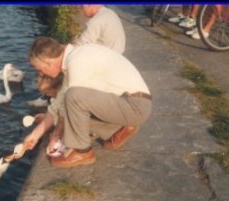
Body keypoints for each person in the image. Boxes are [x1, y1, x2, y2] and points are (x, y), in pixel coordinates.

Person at [22, 36, 152, 168]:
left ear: (48, 62)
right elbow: (58, 104)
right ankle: (120, 128)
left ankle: (82, 152)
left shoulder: (77, 60)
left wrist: (56, 135)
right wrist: (35, 135)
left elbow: (71, 102)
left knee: (74, 97)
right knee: (74, 117)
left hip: (135, 105)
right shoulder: (74, 58)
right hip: (128, 104)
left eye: (39, 69)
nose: (42, 74)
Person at [27, 4, 126, 108]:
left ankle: (51, 97)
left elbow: (79, 47)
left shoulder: (95, 22)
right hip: (117, 58)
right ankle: (51, 97)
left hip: (105, 64)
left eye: (81, 5)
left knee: (62, 65)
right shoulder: (110, 14)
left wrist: (56, 48)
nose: (79, 8)